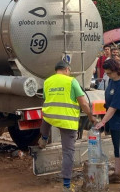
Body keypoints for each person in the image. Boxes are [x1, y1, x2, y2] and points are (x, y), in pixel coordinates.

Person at [38, 61, 97, 192]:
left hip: (51, 116)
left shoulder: (47, 81)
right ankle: (66, 184)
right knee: (68, 153)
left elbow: (46, 99)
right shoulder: (72, 81)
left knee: (46, 118)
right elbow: (83, 103)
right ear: (66, 69)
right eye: (69, 71)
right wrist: (91, 116)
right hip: (67, 122)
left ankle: (44, 138)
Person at [94, 59, 120, 191]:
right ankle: (118, 174)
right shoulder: (113, 80)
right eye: (106, 73)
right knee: (118, 149)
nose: (108, 75)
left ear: (117, 71)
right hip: (115, 121)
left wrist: (102, 121)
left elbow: (114, 108)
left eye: (110, 73)